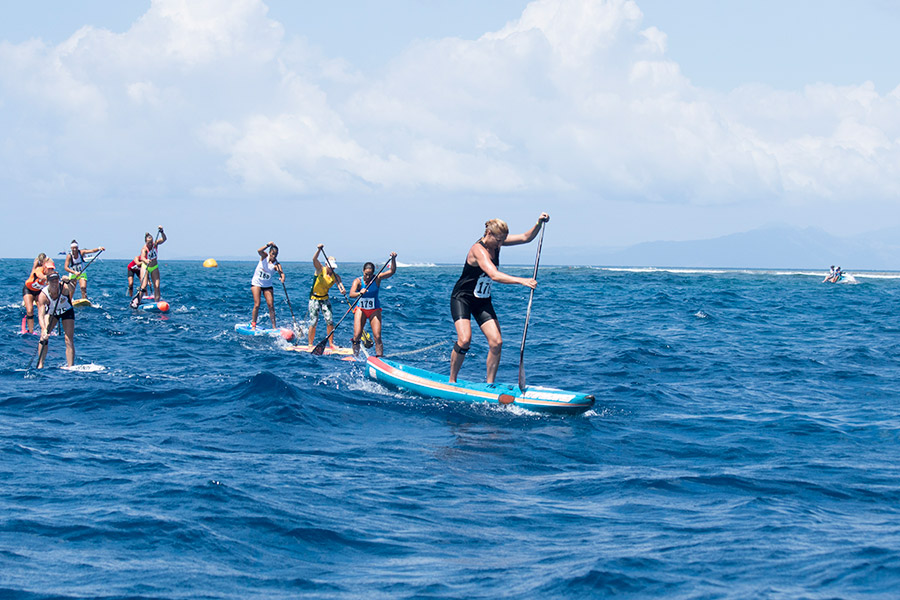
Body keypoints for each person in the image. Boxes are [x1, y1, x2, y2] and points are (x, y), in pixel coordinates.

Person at [449, 213, 550, 383]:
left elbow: (526, 237)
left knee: (496, 342)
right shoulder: (477, 250)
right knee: (465, 340)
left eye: (503, 240)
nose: (501, 244)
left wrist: (539, 223)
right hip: (462, 299)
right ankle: (452, 381)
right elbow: (494, 275)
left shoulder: (497, 243)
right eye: (499, 240)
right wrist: (522, 280)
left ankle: (489, 385)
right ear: (489, 234)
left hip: (482, 300)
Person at [349, 252, 397, 357]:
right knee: (357, 335)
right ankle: (355, 356)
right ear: (363, 272)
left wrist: (393, 259)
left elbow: (392, 271)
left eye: (370, 274)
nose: (368, 277)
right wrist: (359, 292)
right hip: (361, 309)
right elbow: (351, 294)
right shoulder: (357, 281)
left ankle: (379, 358)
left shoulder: (377, 279)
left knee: (377, 336)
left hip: (374, 310)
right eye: (366, 274)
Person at [308, 244, 346, 349]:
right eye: (330, 266)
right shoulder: (320, 269)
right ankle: (310, 344)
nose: (332, 269)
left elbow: (340, 285)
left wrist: (342, 290)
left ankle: (331, 343)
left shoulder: (335, 276)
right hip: (314, 298)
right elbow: (314, 259)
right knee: (313, 321)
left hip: (325, 298)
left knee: (330, 321)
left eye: (333, 267)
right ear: (326, 264)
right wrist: (319, 250)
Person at [36, 272, 77, 369]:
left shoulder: (63, 288)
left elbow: (72, 289)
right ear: (47, 282)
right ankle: (40, 364)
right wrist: (43, 329)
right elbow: (41, 315)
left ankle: (70, 366)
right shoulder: (43, 295)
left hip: (67, 311)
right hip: (52, 313)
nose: (54, 283)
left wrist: (69, 282)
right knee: (44, 337)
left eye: (56, 280)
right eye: (52, 281)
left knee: (68, 338)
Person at [251, 242, 285, 329]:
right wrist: (267, 245)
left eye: (276, 254)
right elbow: (259, 251)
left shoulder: (277, 264)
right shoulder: (264, 257)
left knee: (271, 305)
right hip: (256, 283)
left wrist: (282, 278)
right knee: (257, 304)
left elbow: (281, 273)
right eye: (273, 253)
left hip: (267, 285)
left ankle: (274, 327)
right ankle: (253, 324)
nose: (274, 256)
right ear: (270, 253)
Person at [23, 253, 52, 333]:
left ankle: (45, 329)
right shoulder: (39, 269)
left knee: (42, 310)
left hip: (39, 291)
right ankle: (31, 331)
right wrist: (49, 278)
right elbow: (41, 276)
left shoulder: (49, 270)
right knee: (30, 310)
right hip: (29, 290)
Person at [136, 226, 167, 301]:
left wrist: (162, 231)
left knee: (156, 285)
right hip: (145, 267)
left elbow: (164, 239)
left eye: (151, 242)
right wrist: (146, 261)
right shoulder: (144, 249)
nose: (150, 244)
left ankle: (157, 302)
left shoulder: (155, 244)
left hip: (154, 267)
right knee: (144, 286)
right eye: (148, 243)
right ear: (146, 242)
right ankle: (138, 300)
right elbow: (142, 257)